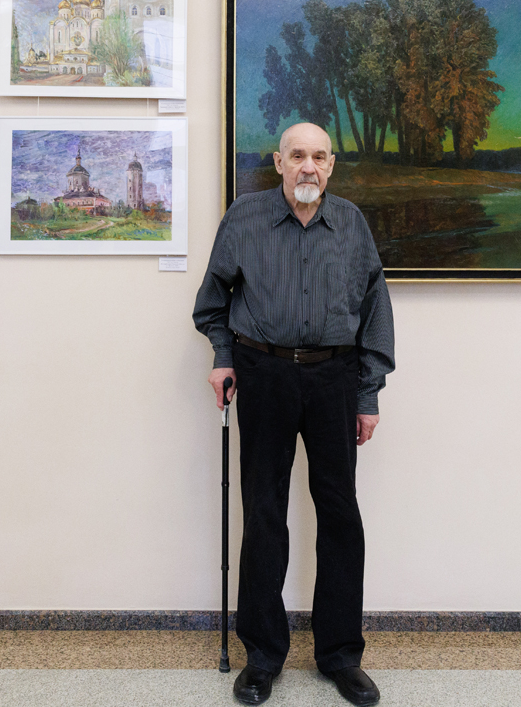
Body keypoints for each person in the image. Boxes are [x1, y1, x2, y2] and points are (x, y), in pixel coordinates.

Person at [193, 122, 395, 707]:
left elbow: (375, 310)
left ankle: (340, 656)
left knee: (340, 515)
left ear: (331, 166)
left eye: (320, 157)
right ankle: (262, 657)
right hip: (264, 372)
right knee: (263, 513)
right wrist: (224, 358)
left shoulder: (350, 222)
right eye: (298, 155)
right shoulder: (245, 218)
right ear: (279, 162)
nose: (309, 166)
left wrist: (367, 395)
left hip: (335, 378)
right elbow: (213, 302)